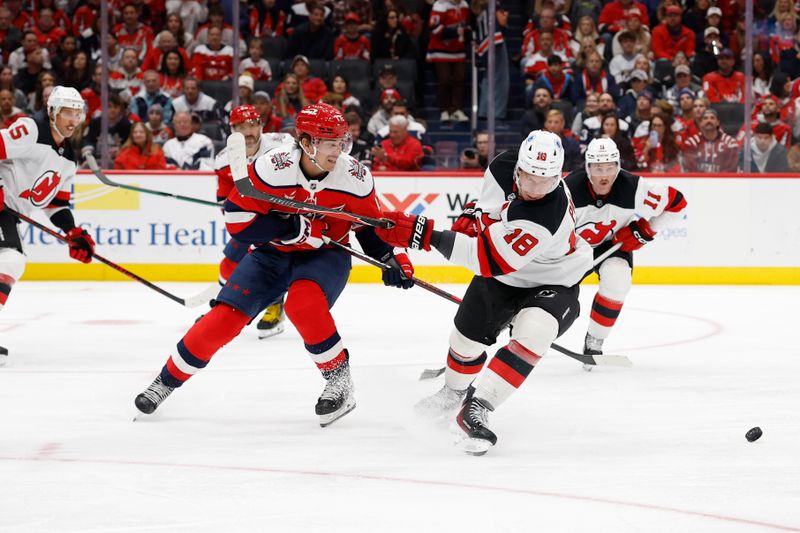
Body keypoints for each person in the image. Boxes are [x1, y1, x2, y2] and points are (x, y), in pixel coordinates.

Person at [134, 103, 415, 427]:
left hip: (325, 254)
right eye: (329, 143)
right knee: (222, 320)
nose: (337, 151)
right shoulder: (272, 168)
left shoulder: (353, 175)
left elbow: (368, 224)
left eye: (341, 142)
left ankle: (339, 380)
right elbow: (237, 219)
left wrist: (390, 258)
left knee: (302, 304)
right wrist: (289, 229)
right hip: (272, 253)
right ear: (306, 143)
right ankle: (164, 382)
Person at [374, 130, 593, 455]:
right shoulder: (502, 166)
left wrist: (425, 234)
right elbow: (489, 211)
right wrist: (472, 219)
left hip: (554, 278)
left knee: (536, 331)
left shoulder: (546, 215)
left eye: (544, 182)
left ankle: (478, 407)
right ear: (518, 166)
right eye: (528, 178)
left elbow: (488, 259)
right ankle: (452, 393)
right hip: (506, 271)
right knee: (464, 341)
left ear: (557, 178)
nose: (534, 189)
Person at [564, 138, 687, 368]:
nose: (604, 174)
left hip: (612, 246)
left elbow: (678, 204)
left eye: (610, 167)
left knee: (618, 279)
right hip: (571, 249)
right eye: (598, 168)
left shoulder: (634, 188)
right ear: (587, 167)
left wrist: (645, 229)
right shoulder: (567, 190)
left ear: (618, 165)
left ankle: (595, 341)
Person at [0, 86, 96, 363]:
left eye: (78, 114)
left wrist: (72, 232)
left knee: (8, 262)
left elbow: (55, 203)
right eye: (67, 112)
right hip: (3, 205)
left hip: (10, 213)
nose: (73, 120)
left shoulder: (68, 160)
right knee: (10, 261)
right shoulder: (31, 129)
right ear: (53, 111)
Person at [212, 104, 293, 339]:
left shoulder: (282, 145)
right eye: (240, 127)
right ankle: (223, 307)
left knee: (273, 262)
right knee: (228, 265)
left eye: (251, 125)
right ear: (232, 130)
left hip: (285, 217)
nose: (247, 132)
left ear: (261, 126)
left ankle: (275, 306)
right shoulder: (223, 160)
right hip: (253, 220)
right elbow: (224, 197)